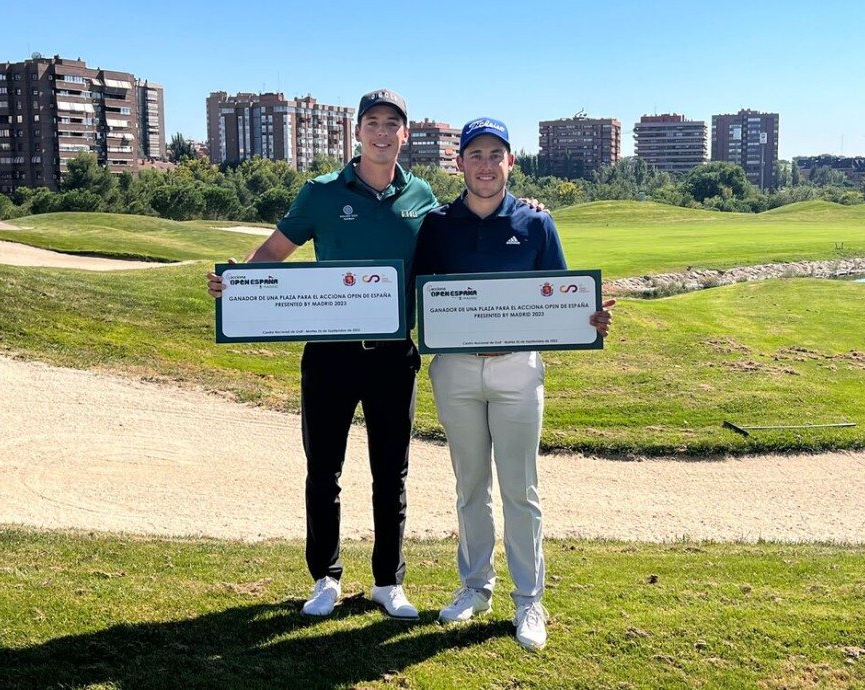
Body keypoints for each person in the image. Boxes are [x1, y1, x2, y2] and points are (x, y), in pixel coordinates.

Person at [207, 89, 437, 620]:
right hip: (330, 355)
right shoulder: (321, 192)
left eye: (392, 124)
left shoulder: (421, 194)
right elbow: (272, 252)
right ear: (357, 132)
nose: (382, 132)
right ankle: (326, 577)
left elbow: (450, 251)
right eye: (373, 122)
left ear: (405, 133)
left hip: (393, 356)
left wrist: (527, 207)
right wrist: (235, 284)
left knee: (391, 472)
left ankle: (387, 581)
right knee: (324, 470)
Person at [414, 117, 615, 650]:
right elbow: (419, 296)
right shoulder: (436, 224)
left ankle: (529, 600)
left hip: (518, 368)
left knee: (520, 489)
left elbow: (564, 296)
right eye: (474, 154)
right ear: (459, 163)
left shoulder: (535, 223)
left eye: (495, 155)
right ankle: (474, 586)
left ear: (511, 162)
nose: (485, 164)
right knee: (469, 486)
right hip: (455, 368)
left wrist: (587, 319)